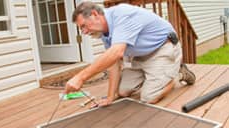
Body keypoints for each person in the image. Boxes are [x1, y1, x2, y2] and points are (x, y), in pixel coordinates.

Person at [65, 1, 196, 106]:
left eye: (83, 26)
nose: (84, 32)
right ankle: (157, 76)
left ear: (94, 14)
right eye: (81, 29)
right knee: (122, 91)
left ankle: (178, 74)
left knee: (149, 97)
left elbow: (116, 53)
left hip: (162, 49)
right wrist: (111, 97)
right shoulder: (104, 33)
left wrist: (80, 77)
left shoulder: (122, 14)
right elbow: (114, 63)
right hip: (140, 56)